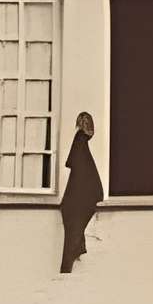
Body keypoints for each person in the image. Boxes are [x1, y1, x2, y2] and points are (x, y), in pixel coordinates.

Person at [59, 110, 103, 274]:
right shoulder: (81, 140)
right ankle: (71, 258)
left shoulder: (80, 140)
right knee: (74, 230)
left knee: (73, 231)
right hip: (80, 197)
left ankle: (70, 258)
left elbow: (73, 163)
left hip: (78, 196)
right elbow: (74, 163)